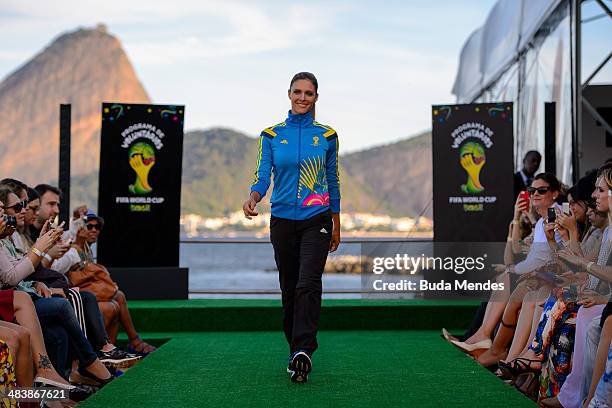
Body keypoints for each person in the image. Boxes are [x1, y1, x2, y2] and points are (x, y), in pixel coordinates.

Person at [243, 72, 341, 383]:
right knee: (289, 288)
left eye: (308, 93)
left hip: (318, 218)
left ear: (316, 97)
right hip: (283, 220)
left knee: (307, 284)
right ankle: (294, 352)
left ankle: (304, 350)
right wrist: (254, 196)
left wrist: (336, 224)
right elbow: (262, 175)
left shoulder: (327, 136)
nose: (302, 97)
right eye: (297, 92)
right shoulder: (271, 135)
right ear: (288, 94)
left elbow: (333, 181)